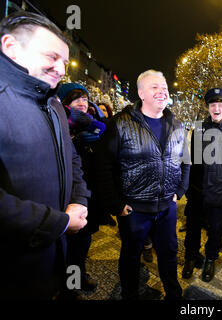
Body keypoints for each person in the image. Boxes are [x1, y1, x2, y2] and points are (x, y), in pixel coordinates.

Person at [0, 11, 90, 299]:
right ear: (11, 47)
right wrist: (59, 222)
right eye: (52, 57)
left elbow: (72, 159)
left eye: (64, 61)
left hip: (52, 258)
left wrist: (79, 200)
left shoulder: (53, 106)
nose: (61, 69)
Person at [94, 69, 189, 300]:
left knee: (169, 254)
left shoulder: (177, 125)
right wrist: (116, 204)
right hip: (134, 210)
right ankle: (130, 294)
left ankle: (174, 295)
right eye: (154, 87)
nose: (162, 91)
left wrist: (180, 190)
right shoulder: (121, 123)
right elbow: (103, 166)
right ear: (141, 93)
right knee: (130, 256)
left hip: (167, 207)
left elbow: (185, 161)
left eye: (164, 87)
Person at [182, 88, 222, 282]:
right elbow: (193, 158)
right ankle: (191, 257)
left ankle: (210, 258)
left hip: (220, 192)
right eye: (212, 105)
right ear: (208, 108)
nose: (216, 108)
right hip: (197, 191)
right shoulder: (198, 129)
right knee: (193, 227)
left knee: (216, 230)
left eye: (220, 105)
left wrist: (221, 179)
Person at [57, 82, 107, 296]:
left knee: (83, 244)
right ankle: (70, 287)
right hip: (68, 199)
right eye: (76, 98)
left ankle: (78, 277)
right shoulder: (61, 128)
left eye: (85, 98)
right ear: (65, 103)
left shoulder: (96, 128)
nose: (82, 102)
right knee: (70, 247)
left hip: (91, 198)